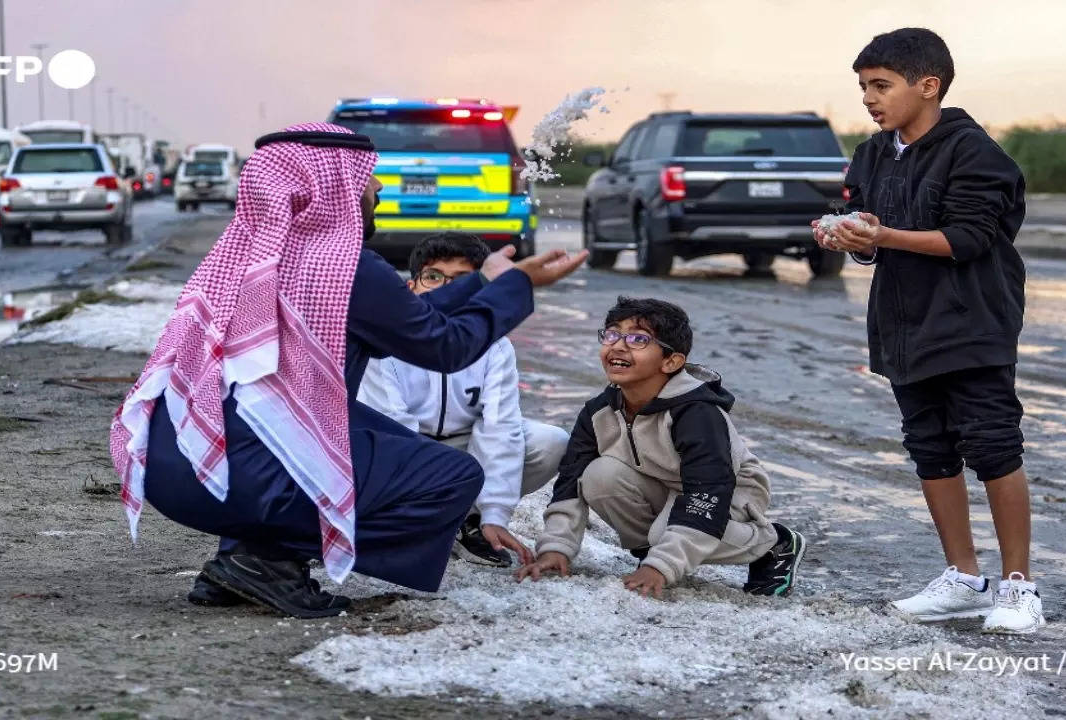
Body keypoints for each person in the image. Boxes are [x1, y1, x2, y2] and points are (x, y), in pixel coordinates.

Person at [109, 123, 587, 619]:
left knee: (373, 437)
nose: (378, 188)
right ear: (329, 186)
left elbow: (404, 316)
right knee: (450, 476)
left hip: (177, 468)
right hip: (243, 473)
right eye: (368, 178)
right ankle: (268, 560)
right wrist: (518, 286)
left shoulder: (249, 256)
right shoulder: (346, 270)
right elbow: (446, 347)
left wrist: (482, 283)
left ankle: (243, 557)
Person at [814, 28, 1043, 634]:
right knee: (930, 446)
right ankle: (964, 578)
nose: (869, 97)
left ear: (928, 85)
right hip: (901, 324)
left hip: (972, 322)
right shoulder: (870, 154)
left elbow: (968, 240)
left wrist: (881, 236)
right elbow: (871, 237)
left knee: (993, 445)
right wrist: (848, 236)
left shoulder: (975, 153)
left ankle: (1019, 587)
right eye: (863, 86)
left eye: (881, 85)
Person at [515, 297, 806, 598]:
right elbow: (569, 487)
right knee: (598, 475)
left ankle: (773, 544)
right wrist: (555, 550)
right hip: (664, 485)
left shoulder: (697, 413)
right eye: (612, 334)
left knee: (664, 533)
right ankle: (652, 551)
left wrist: (662, 567)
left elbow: (708, 493)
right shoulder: (598, 412)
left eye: (638, 339)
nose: (618, 346)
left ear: (671, 362)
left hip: (729, 492)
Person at [357, 232, 569, 568]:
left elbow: (500, 425)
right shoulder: (386, 344)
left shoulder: (496, 345)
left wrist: (494, 514)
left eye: (462, 280)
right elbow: (394, 431)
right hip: (402, 448)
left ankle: (470, 524)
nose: (446, 289)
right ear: (411, 288)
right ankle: (417, 524)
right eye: (433, 277)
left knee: (551, 441)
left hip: (462, 444)